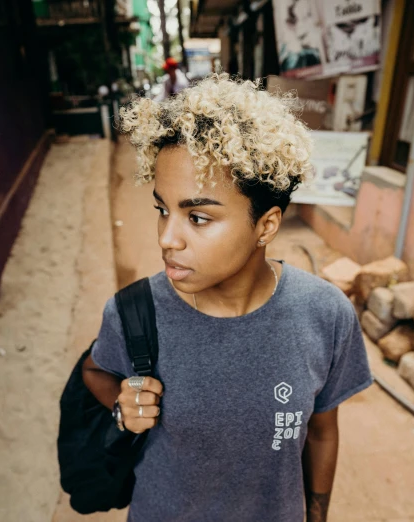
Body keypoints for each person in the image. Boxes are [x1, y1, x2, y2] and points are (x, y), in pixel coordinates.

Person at [82, 75, 372, 522]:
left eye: (197, 217)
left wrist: (317, 516)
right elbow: (95, 371)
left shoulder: (325, 314)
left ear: (266, 226)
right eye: (163, 209)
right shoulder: (134, 312)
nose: (167, 238)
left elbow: (321, 432)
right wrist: (123, 406)